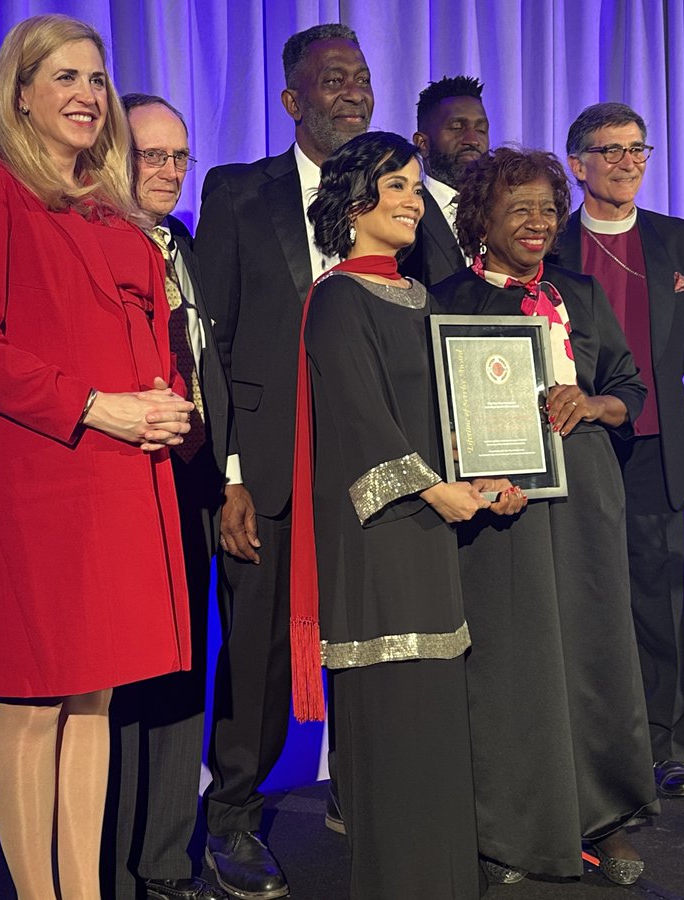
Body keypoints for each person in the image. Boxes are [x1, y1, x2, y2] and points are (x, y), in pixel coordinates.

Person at [0, 15, 194, 899]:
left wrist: (162, 407)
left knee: (97, 698)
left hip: (120, 475)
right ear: (22, 91)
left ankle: (86, 891)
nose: (87, 94)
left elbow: (144, 339)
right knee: (36, 698)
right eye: (67, 77)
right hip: (34, 476)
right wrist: (98, 407)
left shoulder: (114, 212)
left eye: (97, 78)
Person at [293, 130, 520, 899]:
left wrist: (490, 472)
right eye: (395, 186)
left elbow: (448, 411)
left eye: (417, 189)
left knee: (436, 725)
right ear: (354, 200)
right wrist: (434, 490)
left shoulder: (426, 298)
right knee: (393, 725)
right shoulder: (334, 300)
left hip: (433, 532)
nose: (411, 201)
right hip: (380, 535)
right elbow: (360, 419)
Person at [432, 147, 658, 885]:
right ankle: (517, 831)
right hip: (504, 512)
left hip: (588, 501)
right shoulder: (445, 302)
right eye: (518, 208)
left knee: (596, 655)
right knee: (514, 666)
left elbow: (629, 387)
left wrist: (591, 403)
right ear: (480, 219)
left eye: (548, 208)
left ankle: (609, 818)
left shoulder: (582, 293)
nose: (538, 222)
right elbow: (431, 420)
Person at [194, 23, 373, 899]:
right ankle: (230, 816)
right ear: (291, 99)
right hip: (265, 468)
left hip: (368, 466)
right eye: (333, 79)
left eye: (363, 78)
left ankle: (368, 794)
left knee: (373, 639)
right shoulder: (238, 191)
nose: (352, 92)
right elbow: (210, 343)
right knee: (259, 651)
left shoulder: (388, 192)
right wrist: (227, 476)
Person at [555, 102, 684, 797]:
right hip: (577, 447)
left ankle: (671, 749)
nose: (626, 162)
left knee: (657, 605)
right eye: (609, 150)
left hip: (653, 450)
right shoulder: (551, 244)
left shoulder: (678, 240)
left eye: (637, 148)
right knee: (582, 603)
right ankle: (589, 751)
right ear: (577, 164)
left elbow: (678, 348)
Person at [107, 94, 230, 900]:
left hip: (192, 480)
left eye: (179, 157)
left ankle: (163, 861)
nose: (169, 172)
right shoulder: (91, 240)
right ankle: (107, 869)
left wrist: (227, 477)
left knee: (185, 668)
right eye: (152, 155)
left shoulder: (181, 241)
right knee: (119, 682)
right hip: (121, 484)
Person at [405, 75, 491, 285]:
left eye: (481, 129)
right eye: (457, 127)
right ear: (422, 143)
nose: (472, 140)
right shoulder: (406, 211)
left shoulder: (498, 211)